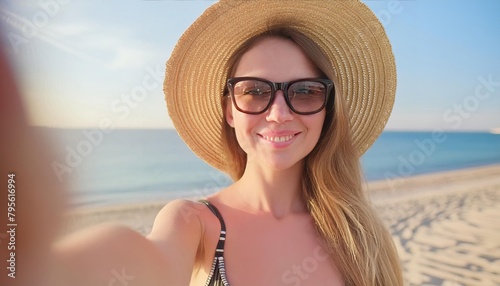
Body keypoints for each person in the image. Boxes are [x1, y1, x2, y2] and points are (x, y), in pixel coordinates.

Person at [49, 0, 403, 285]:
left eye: (305, 92)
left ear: (327, 110)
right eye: (254, 91)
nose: (279, 113)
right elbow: (142, 260)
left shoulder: (362, 236)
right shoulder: (194, 225)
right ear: (230, 111)